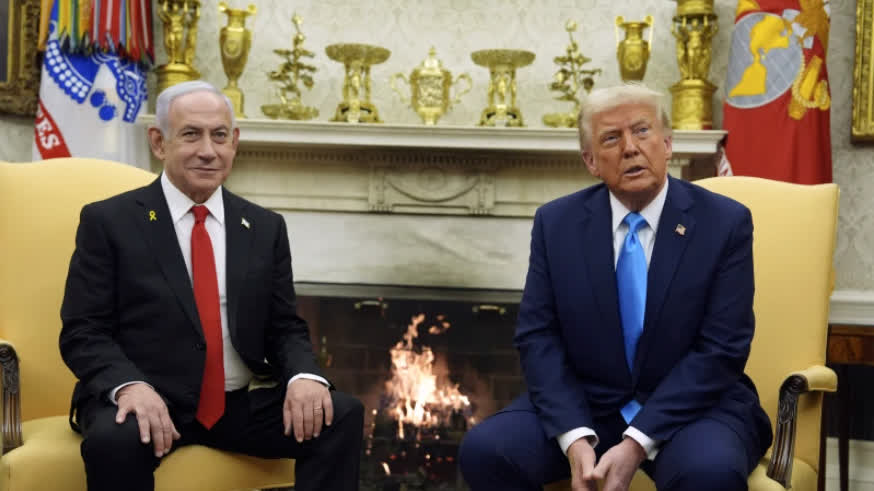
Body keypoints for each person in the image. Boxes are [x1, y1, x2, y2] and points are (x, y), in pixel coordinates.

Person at [458, 84, 773, 491]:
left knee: (709, 474)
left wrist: (637, 441)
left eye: (642, 131)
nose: (630, 148)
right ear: (591, 161)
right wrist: (574, 437)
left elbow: (722, 349)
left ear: (667, 143)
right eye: (611, 138)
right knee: (486, 450)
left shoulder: (724, 223)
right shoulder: (557, 224)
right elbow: (538, 337)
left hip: (694, 408)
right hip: (589, 405)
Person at [59, 80, 363, 491]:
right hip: (147, 399)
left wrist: (303, 376)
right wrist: (129, 386)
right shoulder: (109, 222)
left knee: (340, 414)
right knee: (114, 442)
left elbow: (284, 326)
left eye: (219, 136)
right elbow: (83, 330)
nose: (208, 150)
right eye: (191, 134)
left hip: (234, 406)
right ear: (159, 142)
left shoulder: (264, 227)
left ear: (234, 142)